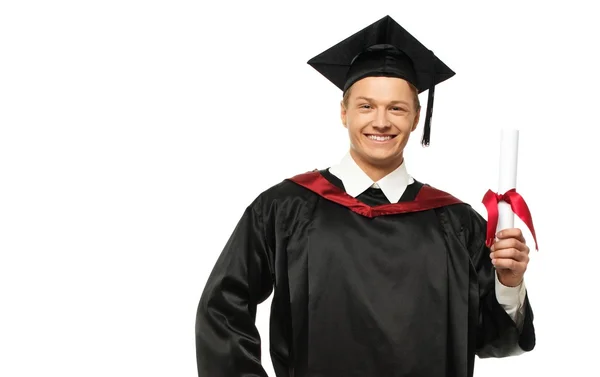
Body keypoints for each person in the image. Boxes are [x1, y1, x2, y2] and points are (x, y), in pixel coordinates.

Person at [195, 15, 535, 377]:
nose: (381, 122)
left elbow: (494, 341)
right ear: (344, 112)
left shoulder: (456, 222)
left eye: (397, 108)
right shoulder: (285, 208)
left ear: (417, 116)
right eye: (366, 106)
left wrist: (509, 283)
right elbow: (222, 310)